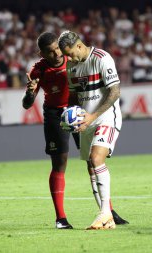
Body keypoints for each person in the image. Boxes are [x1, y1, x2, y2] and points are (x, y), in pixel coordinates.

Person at [22, 32, 128, 229]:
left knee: (93, 161)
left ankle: (108, 211)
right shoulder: (39, 70)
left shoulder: (76, 59)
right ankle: (61, 219)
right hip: (56, 115)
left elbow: (95, 92)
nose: (57, 55)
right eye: (51, 52)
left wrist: (82, 115)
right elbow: (27, 104)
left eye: (58, 50)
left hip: (81, 113)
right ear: (42, 54)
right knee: (60, 163)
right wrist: (29, 92)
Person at [58, 31, 124, 230]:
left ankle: (105, 215)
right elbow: (75, 95)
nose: (68, 59)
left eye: (70, 53)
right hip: (85, 121)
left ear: (79, 46)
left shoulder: (102, 59)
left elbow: (115, 92)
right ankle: (106, 217)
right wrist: (68, 116)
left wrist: (92, 117)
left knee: (97, 159)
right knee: (90, 167)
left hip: (105, 117)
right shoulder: (71, 66)